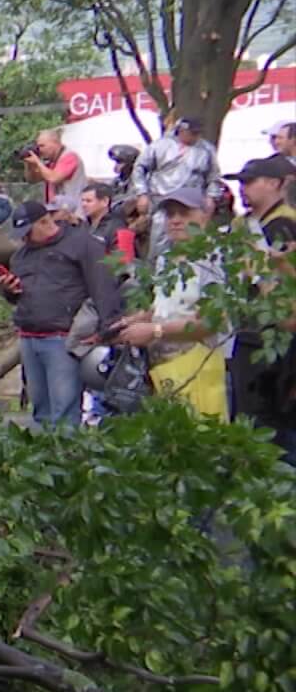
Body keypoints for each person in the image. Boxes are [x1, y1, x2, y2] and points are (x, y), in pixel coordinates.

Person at [0, 201, 125, 427]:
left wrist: (107, 330)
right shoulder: (21, 256)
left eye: (28, 232)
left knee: (64, 412)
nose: (23, 238)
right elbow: (16, 296)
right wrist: (10, 290)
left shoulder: (82, 244)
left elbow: (102, 287)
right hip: (29, 336)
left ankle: (66, 458)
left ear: (45, 222)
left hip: (63, 339)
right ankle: (42, 458)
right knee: (40, 411)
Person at [111, 188, 230, 419]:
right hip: (162, 368)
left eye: (184, 213)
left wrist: (155, 331)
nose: (175, 220)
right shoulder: (166, 258)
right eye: (170, 214)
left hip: (198, 365)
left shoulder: (214, 258)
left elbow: (211, 321)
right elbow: (165, 306)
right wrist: (129, 323)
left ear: (204, 216)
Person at [224, 155, 296, 461]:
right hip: (249, 331)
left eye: (249, 182)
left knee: (267, 424)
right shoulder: (248, 223)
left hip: (272, 337)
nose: (243, 189)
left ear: (275, 184)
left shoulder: (283, 225)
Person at [131, 117, 223, 258]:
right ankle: (156, 274)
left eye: (197, 133)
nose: (194, 137)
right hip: (162, 201)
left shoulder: (206, 149)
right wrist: (141, 193)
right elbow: (139, 168)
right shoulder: (160, 146)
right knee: (159, 240)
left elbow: (214, 176)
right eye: (191, 133)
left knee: (193, 241)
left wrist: (211, 197)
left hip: (192, 203)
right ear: (180, 131)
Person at [20, 128, 86, 213]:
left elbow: (54, 178)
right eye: (38, 146)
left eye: (42, 146)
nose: (40, 150)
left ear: (55, 143)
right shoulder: (51, 161)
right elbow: (32, 180)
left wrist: (37, 161)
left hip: (73, 212)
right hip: (57, 211)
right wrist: (30, 164)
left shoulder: (70, 156)